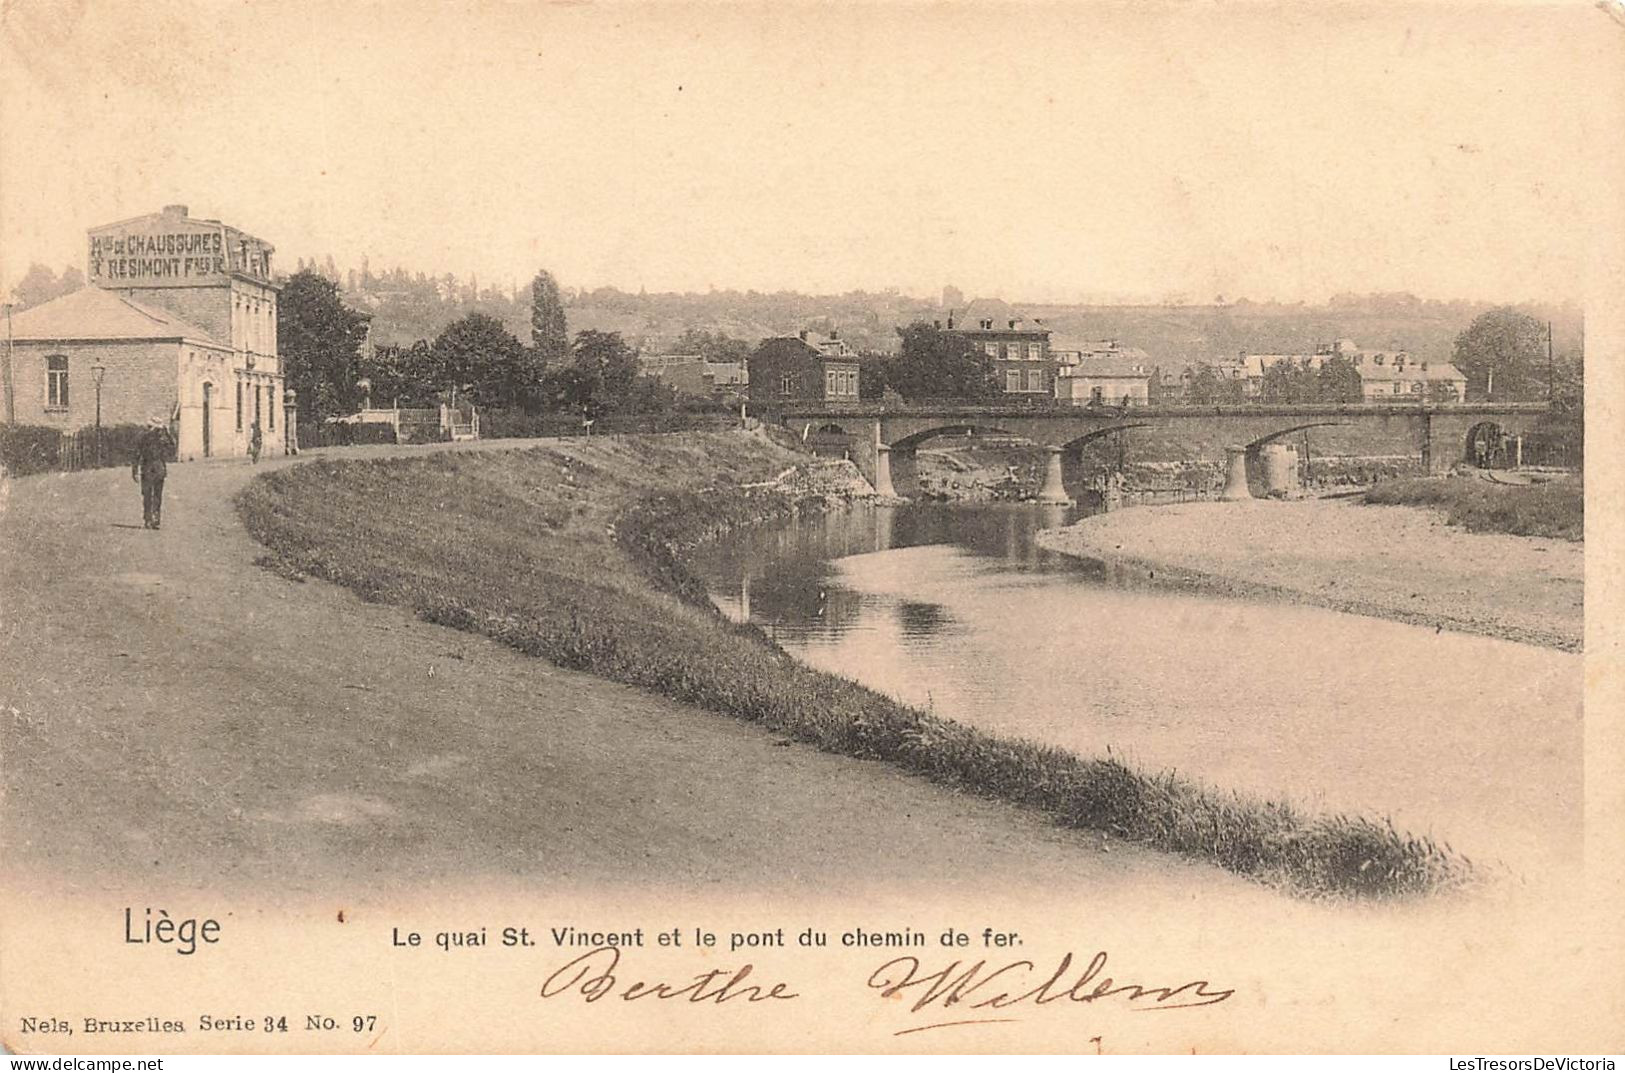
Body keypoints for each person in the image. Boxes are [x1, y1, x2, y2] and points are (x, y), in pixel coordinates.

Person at [131, 417, 175, 530]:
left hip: (152, 468)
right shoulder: (157, 438)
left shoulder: (147, 437)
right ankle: (152, 519)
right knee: (152, 495)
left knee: (152, 495)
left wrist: (135, 470)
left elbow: (136, 454)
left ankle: (151, 519)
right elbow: (137, 454)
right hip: (155, 468)